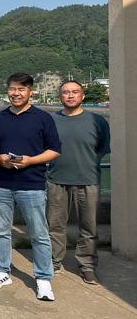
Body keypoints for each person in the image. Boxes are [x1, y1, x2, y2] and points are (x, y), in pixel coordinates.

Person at [0, 73, 61, 302]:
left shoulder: (43, 118)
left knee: (39, 233)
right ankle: (2, 271)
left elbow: (54, 150)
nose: (16, 93)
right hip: (0, 183)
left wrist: (30, 161)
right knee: (1, 231)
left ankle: (43, 277)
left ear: (30, 92)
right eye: (12, 89)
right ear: (7, 90)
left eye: (21, 89)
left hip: (32, 184)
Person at [47, 81, 110, 285]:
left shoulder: (97, 121)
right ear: (60, 97)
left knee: (89, 227)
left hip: (88, 180)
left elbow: (102, 149)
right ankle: (53, 262)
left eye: (75, 92)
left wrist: (86, 163)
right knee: (55, 225)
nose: (70, 96)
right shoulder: (50, 120)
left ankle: (87, 266)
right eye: (66, 92)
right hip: (56, 180)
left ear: (82, 96)